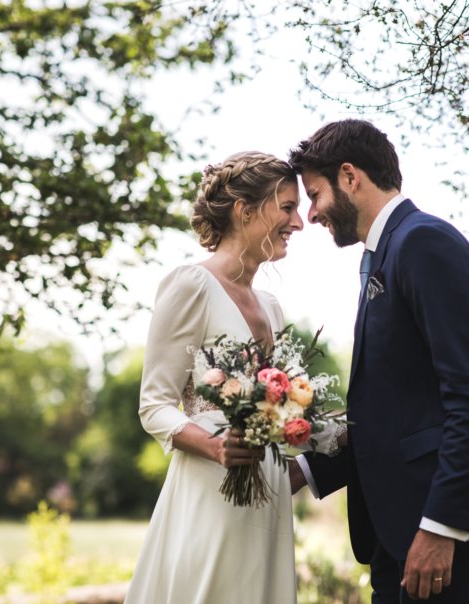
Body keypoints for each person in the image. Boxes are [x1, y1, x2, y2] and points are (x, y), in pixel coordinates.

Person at [287, 120, 469, 603]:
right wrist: (307, 470)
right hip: (398, 523)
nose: (312, 212)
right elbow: (396, 409)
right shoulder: (383, 254)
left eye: (315, 193)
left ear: (350, 176)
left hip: (434, 523)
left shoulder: (424, 244)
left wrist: (442, 526)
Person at [125, 151, 342, 604]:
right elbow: (154, 404)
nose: (298, 222)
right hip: (209, 492)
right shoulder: (191, 285)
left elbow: (290, 408)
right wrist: (214, 446)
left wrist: (341, 427)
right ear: (245, 211)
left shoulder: (272, 306)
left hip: (269, 494)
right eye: (286, 207)